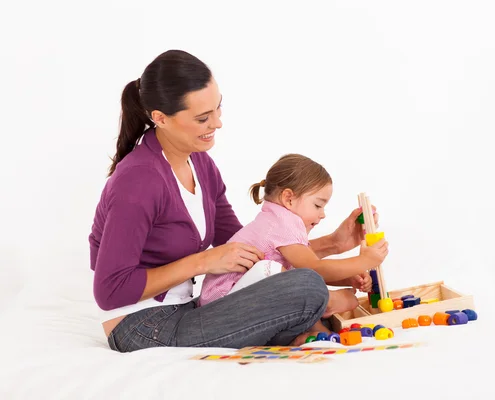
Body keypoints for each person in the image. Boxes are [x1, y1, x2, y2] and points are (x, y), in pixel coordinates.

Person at [88, 49, 381, 352]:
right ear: (160, 118)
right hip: (143, 326)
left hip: (191, 309)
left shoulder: (201, 166)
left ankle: (299, 323)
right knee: (306, 286)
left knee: (290, 281)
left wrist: (332, 243)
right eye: (203, 118)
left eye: (218, 109)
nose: (217, 123)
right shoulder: (138, 182)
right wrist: (202, 261)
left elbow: (250, 252)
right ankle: (311, 312)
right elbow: (110, 291)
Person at [199, 153, 389, 329]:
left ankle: (310, 331)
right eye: (317, 205)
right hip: (221, 304)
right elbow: (313, 268)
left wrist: (348, 277)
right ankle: (326, 303)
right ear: (288, 198)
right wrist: (364, 262)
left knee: (284, 276)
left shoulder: (276, 218)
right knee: (270, 270)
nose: (322, 215)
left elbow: (303, 268)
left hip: (236, 299)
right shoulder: (281, 223)